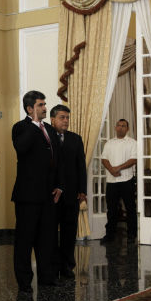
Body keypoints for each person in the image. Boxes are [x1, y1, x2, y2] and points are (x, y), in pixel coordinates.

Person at [11, 91, 62, 293]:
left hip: (49, 194)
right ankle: (24, 282)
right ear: (30, 108)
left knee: (47, 238)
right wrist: (33, 125)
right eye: (40, 105)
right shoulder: (20, 127)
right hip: (27, 195)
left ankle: (47, 276)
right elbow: (21, 149)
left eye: (44, 104)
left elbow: (57, 159)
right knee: (25, 239)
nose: (44, 107)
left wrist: (59, 185)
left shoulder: (49, 128)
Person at [50, 105, 86, 279]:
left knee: (69, 231)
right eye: (62, 117)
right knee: (50, 232)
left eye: (67, 118)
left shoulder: (75, 139)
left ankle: (67, 266)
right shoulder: (46, 137)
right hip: (52, 195)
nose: (65, 121)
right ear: (53, 119)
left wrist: (82, 190)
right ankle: (52, 265)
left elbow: (81, 166)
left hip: (72, 193)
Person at [100, 119, 137, 244]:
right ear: (115, 127)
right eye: (119, 125)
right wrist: (111, 170)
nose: (121, 128)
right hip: (111, 181)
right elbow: (104, 159)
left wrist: (118, 168)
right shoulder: (109, 143)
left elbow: (133, 159)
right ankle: (110, 234)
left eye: (124, 126)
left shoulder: (132, 143)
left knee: (130, 209)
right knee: (111, 209)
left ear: (127, 129)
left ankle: (132, 235)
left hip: (127, 180)